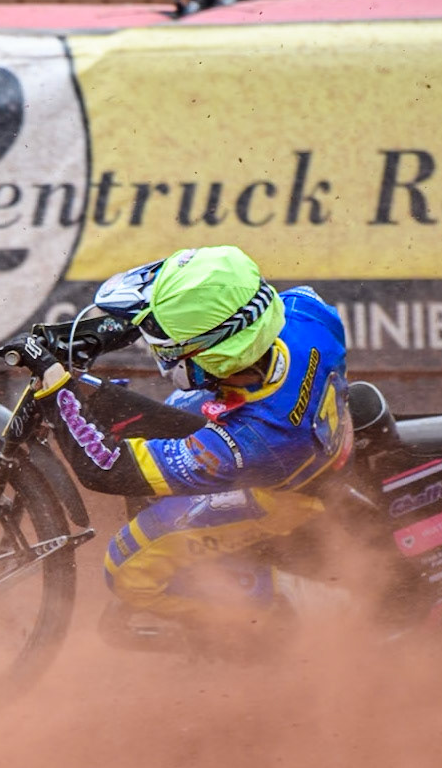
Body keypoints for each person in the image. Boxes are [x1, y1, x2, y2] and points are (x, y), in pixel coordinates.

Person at [17, 245, 352, 640]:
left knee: (127, 571)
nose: (161, 354)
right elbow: (212, 300)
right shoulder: (302, 313)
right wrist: (103, 333)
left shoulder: (246, 442)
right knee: (176, 407)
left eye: (170, 347)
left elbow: (107, 467)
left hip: (278, 490)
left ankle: (290, 605)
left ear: (215, 355)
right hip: (314, 431)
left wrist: (57, 389)